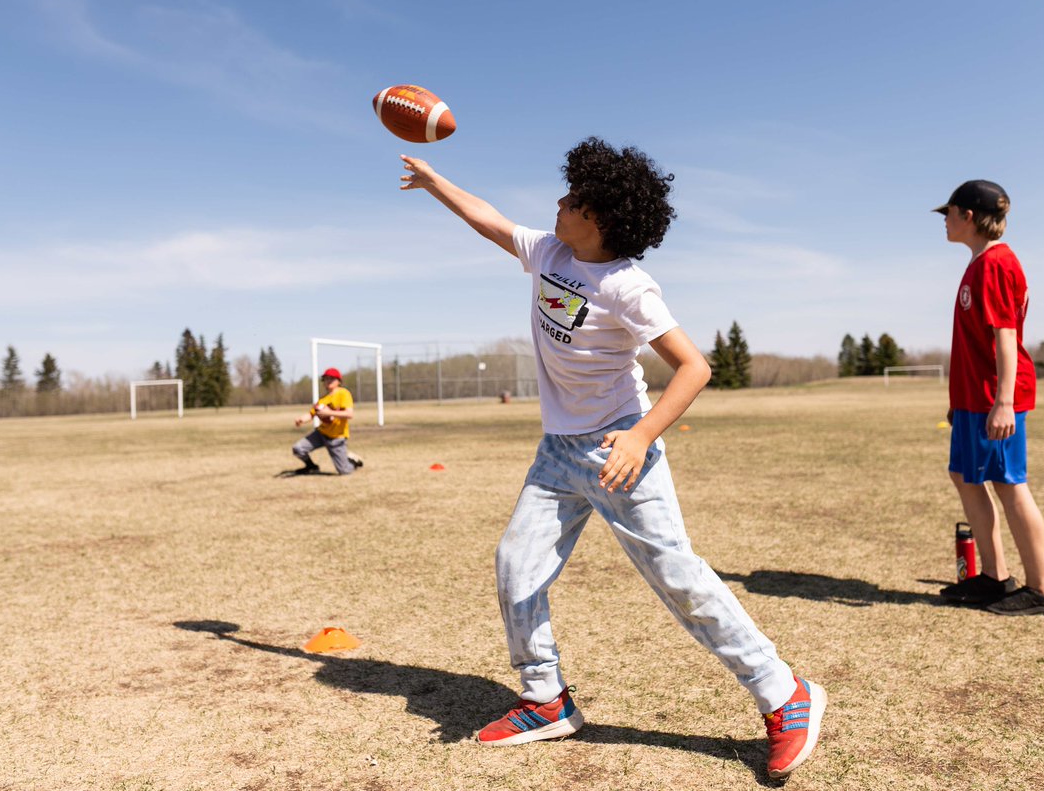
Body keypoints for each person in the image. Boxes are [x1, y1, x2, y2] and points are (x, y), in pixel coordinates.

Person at [399, 137, 825, 779]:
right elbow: (488, 220)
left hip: (618, 445)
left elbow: (694, 367)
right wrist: (437, 183)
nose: (559, 202)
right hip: (557, 451)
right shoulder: (550, 249)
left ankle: (784, 694)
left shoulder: (629, 286)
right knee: (517, 563)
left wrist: (641, 435)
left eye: (573, 199)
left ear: (598, 219)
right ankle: (545, 699)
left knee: (676, 575)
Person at [934, 180, 1044, 616]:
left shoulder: (996, 264)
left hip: (996, 398)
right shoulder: (979, 263)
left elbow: (1004, 338)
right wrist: (960, 399)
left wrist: (1004, 401)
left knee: (1010, 485)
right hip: (974, 398)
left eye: (949, 213)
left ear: (969, 216)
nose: (946, 221)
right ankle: (994, 578)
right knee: (965, 476)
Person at [292, 367, 362, 475]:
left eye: (332, 379)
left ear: (339, 381)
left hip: (337, 437)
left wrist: (329, 413)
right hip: (321, 434)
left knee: (344, 471)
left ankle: (353, 461)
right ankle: (311, 467)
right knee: (298, 448)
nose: (328, 381)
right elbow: (311, 414)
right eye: (326, 379)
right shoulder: (322, 400)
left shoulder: (343, 393)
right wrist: (301, 420)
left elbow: (349, 414)